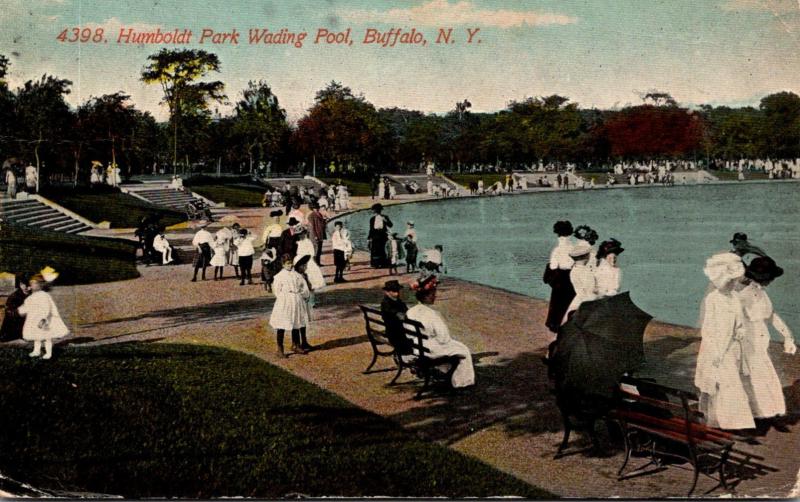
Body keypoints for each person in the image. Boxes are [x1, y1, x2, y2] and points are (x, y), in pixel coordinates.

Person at [694, 252, 754, 430]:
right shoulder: (713, 299)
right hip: (715, 349)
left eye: (734, 281)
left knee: (729, 383)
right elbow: (707, 329)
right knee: (717, 384)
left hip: (732, 348)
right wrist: (716, 352)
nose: (733, 284)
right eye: (730, 281)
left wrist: (741, 331)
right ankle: (719, 420)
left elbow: (740, 321)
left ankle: (726, 421)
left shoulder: (735, 298)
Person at [737, 256, 796, 430]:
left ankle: (768, 414)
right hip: (748, 342)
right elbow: (736, 321)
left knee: (766, 379)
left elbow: (771, 315)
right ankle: (757, 417)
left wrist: (787, 335)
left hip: (760, 342)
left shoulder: (761, 293)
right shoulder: (744, 295)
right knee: (755, 380)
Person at [406, 276, 475, 388]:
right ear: (427, 296)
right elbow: (444, 338)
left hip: (417, 346)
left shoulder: (411, 311)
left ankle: (446, 374)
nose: (435, 297)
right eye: (432, 294)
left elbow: (409, 330)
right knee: (463, 349)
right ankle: (462, 382)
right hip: (429, 349)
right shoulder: (432, 314)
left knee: (456, 347)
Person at [18, 274, 69, 359]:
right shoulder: (32, 296)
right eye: (31, 283)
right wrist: (20, 311)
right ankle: (36, 351)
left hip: (43, 319)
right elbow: (28, 305)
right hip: (33, 319)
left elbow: (47, 307)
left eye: (34, 283)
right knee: (36, 337)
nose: (32, 285)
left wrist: (43, 318)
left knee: (46, 337)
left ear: (40, 285)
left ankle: (48, 353)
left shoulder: (44, 295)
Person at [269, 254, 311, 357]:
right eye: (287, 263)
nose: (290, 265)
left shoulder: (297, 275)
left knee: (296, 322)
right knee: (282, 324)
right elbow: (277, 291)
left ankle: (295, 345)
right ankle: (280, 348)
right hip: (285, 302)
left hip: (296, 300)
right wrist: (285, 297)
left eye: (291, 263)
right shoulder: (279, 276)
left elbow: (304, 287)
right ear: (283, 265)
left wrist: (303, 295)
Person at [544, 221, 576, 333]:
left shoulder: (557, 250)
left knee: (557, 302)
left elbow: (553, 266)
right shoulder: (574, 248)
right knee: (569, 302)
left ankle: (555, 324)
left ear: (558, 235)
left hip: (560, 278)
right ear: (570, 234)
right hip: (571, 277)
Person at [561, 241, 597, 326]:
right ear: (586, 257)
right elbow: (588, 290)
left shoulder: (576, 269)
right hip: (586, 299)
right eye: (588, 255)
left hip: (580, 298)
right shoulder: (583, 271)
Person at [380, 279, 412, 355]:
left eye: (397, 290)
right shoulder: (386, 303)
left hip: (395, 330)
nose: (397, 293)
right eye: (394, 291)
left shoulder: (396, 301)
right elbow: (394, 312)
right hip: (395, 333)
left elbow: (405, 310)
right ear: (387, 292)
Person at [0, 274, 31, 342]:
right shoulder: (14, 296)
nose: (26, 287)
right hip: (15, 322)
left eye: (28, 285)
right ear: (20, 285)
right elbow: (9, 312)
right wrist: (20, 312)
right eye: (23, 284)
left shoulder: (32, 295)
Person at [368, 203, 392, 268]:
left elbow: (391, 225)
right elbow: (371, 229)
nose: (375, 212)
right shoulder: (372, 219)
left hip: (382, 235)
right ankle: (375, 264)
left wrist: (386, 221)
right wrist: (369, 238)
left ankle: (383, 263)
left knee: (382, 249)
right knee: (374, 249)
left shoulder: (385, 217)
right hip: (375, 235)